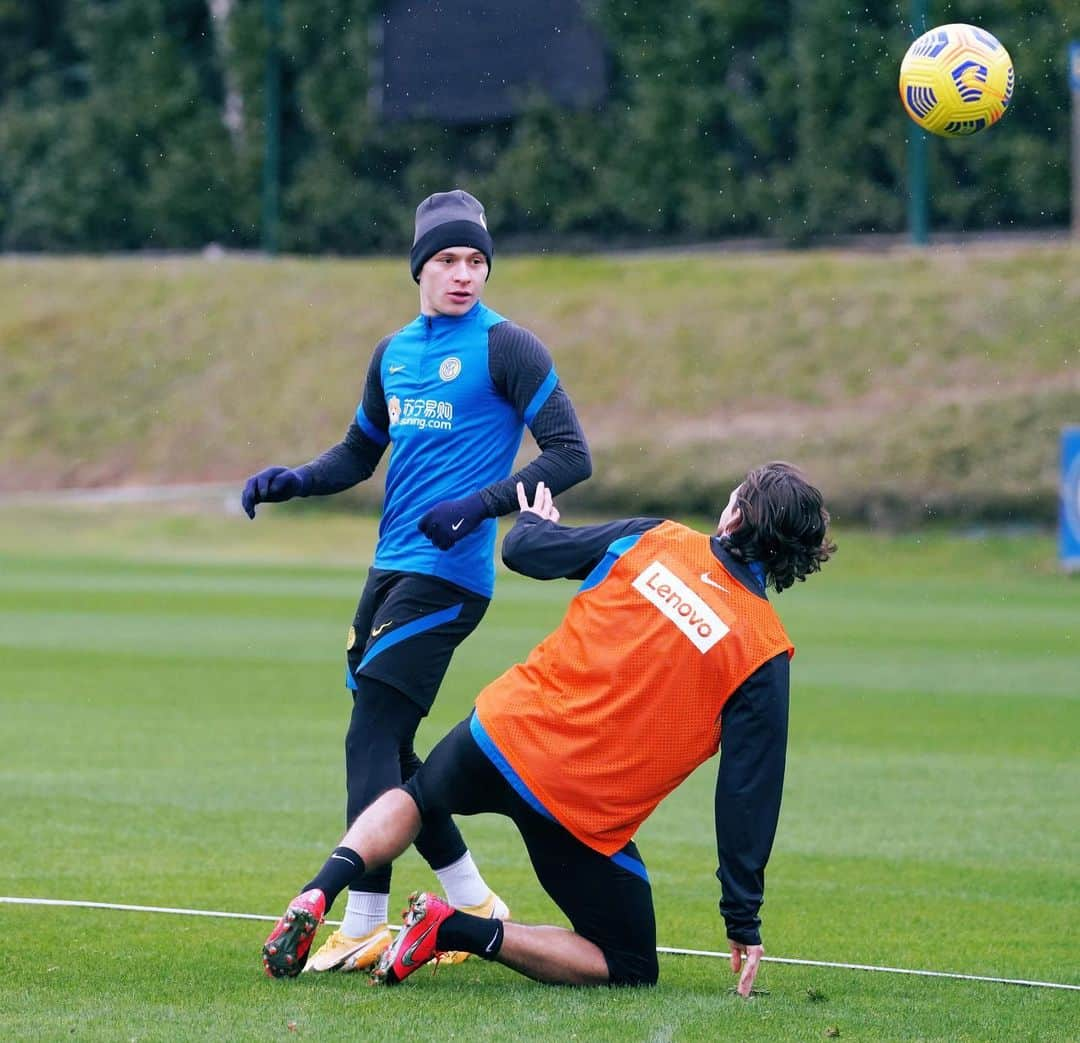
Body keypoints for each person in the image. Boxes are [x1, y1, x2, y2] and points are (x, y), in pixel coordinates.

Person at [262, 462, 835, 994]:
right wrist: (742, 917)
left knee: (417, 798)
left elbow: (527, 552)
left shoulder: (658, 539)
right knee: (629, 966)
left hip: (502, 731)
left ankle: (321, 887)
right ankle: (456, 929)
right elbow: (746, 796)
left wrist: (533, 520)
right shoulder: (763, 652)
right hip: (577, 809)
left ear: (734, 516)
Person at [243, 189, 592, 976]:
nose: (464, 274)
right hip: (389, 569)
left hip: (452, 576)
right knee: (394, 746)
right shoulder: (393, 353)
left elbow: (571, 454)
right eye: (447, 260)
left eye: (476, 260)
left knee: (369, 728)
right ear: (420, 269)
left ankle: (364, 915)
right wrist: (293, 480)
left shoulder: (509, 348)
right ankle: (470, 900)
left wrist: (479, 506)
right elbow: (359, 453)